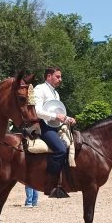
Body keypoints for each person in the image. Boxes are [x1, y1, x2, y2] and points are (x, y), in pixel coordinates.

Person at [33, 67, 74, 198]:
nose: (60, 79)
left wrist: (68, 119)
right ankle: (50, 184)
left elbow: (59, 115)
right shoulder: (39, 89)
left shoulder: (56, 94)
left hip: (55, 127)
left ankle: (65, 181)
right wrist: (56, 116)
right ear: (49, 76)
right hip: (43, 127)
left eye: (60, 77)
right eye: (58, 76)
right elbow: (37, 111)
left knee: (75, 144)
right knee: (61, 149)